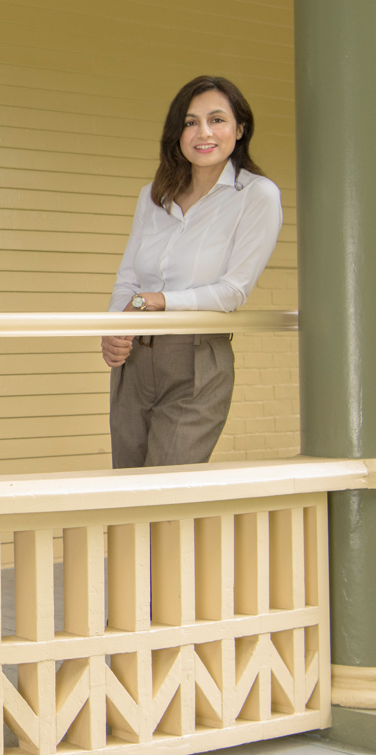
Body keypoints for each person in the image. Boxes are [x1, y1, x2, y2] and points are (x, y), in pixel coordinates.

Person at [102, 76, 282, 468]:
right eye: (190, 122)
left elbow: (233, 291)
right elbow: (128, 278)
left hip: (196, 360)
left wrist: (157, 301)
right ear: (177, 133)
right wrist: (115, 329)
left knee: (164, 490)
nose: (203, 133)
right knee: (125, 488)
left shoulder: (257, 195)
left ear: (240, 129)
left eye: (217, 120)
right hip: (135, 360)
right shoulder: (153, 196)